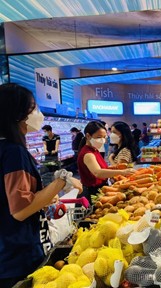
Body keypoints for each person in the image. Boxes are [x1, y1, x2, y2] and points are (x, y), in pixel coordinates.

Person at [0, 83, 82, 288]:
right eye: (33, 108)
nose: (39, 113)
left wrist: (45, 197)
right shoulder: (13, 152)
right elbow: (20, 210)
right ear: (17, 113)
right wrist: (61, 181)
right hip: (18, 254)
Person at [77, 121, 136, 204]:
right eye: (99, 137)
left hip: (100, 190)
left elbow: (102, 169)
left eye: (104, 137)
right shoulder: (88, 154)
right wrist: (122, 172)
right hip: (91, 194)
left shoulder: (94, 150)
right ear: (88, 136)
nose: (102, 140)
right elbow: (98, 173)